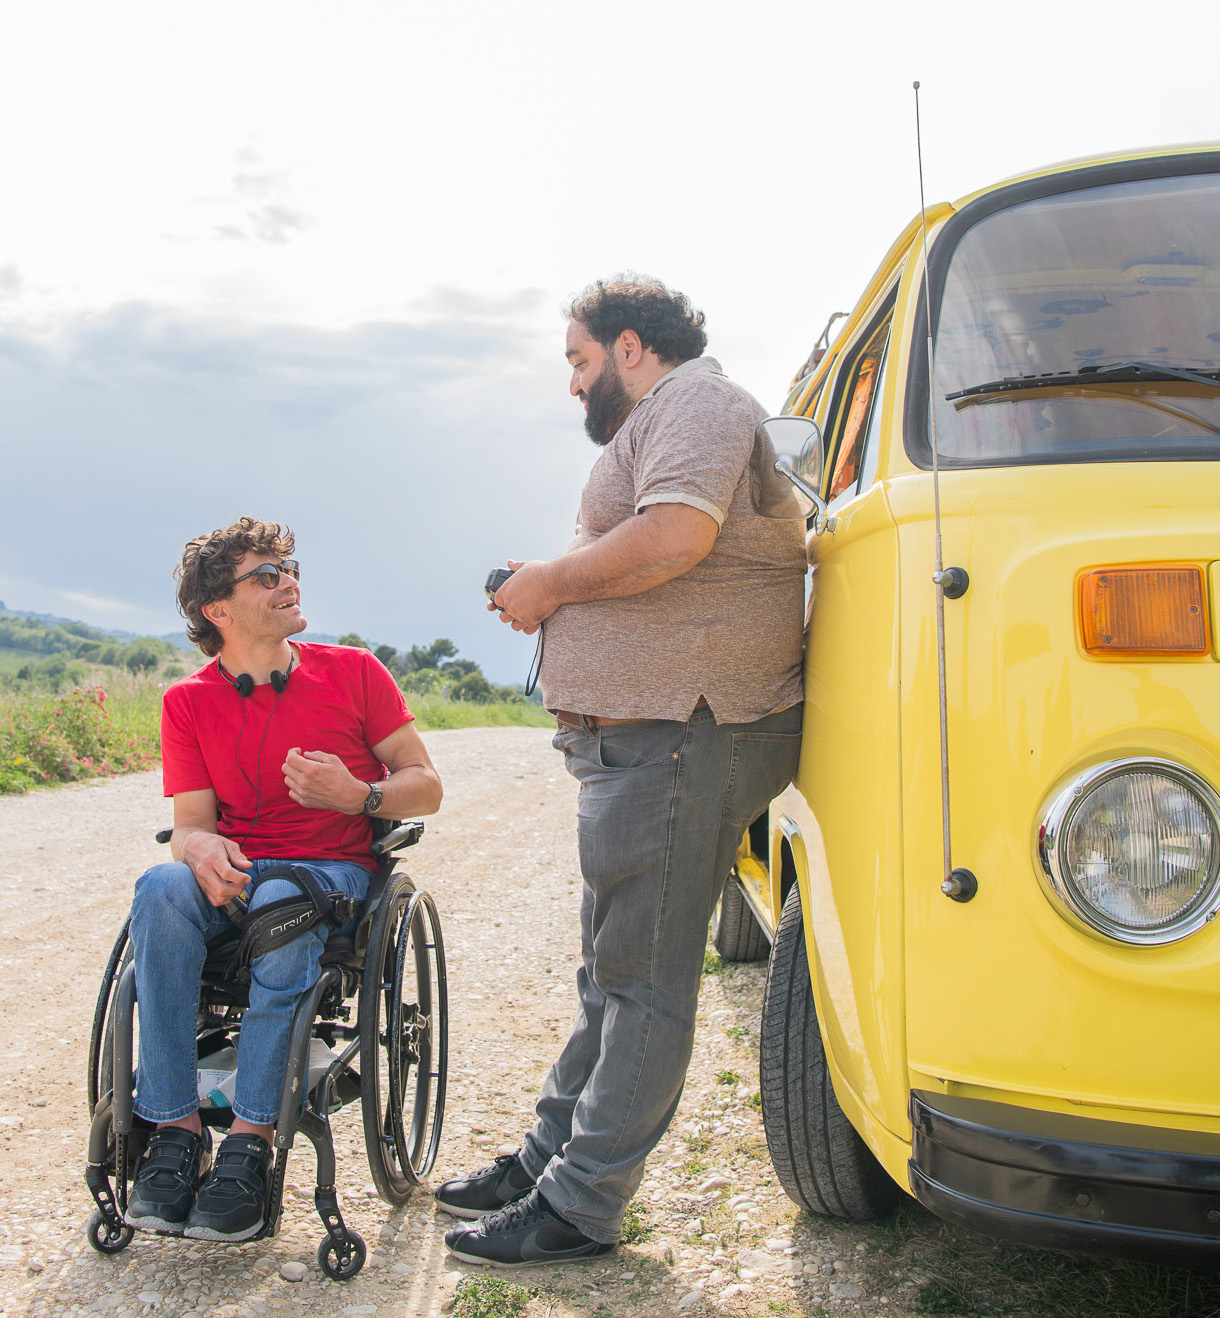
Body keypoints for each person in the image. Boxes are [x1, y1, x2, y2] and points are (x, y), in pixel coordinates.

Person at [437, 277, 806, 1266]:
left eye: (578, 359)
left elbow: (677, 535)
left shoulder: (700, 401)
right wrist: (547, 587)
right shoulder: (668, 414)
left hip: (686, 730)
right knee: (611, 972)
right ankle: (546, 1160)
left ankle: (580, 1206)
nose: (572, 382)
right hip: (654, 736)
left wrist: (549, 584)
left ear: (630, 347)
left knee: (641, 981)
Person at [124, 517, 442, 1241]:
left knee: (281, 898)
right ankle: (173, 1132)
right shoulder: (187, 702)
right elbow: (190, 824)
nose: (288, 582)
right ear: (218, 610)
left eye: (289, 569)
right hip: (235, 878)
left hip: (324, 875)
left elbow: (426, 786)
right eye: (267, 575)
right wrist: (199, 848)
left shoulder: (354, 672)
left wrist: (358, 795)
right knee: (160, 888)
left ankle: (251, 1142)